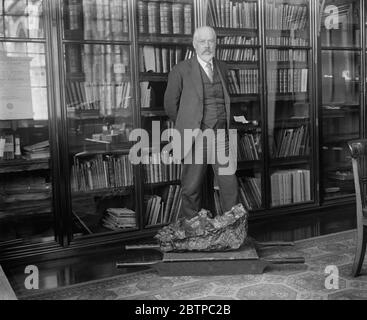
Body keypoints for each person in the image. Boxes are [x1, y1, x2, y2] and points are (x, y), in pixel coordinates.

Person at [164, 26, 239, 219]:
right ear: (194, 44)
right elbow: (170, 106)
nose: (207, 46)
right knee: (191, 186)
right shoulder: (181, 70)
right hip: (195, 136)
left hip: (221, 134)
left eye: (211, 41)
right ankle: (192, 228)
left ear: (216, 43)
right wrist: (188, 123)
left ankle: (233, 226)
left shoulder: (222, 67)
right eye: (202, 42)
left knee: (229, 183)